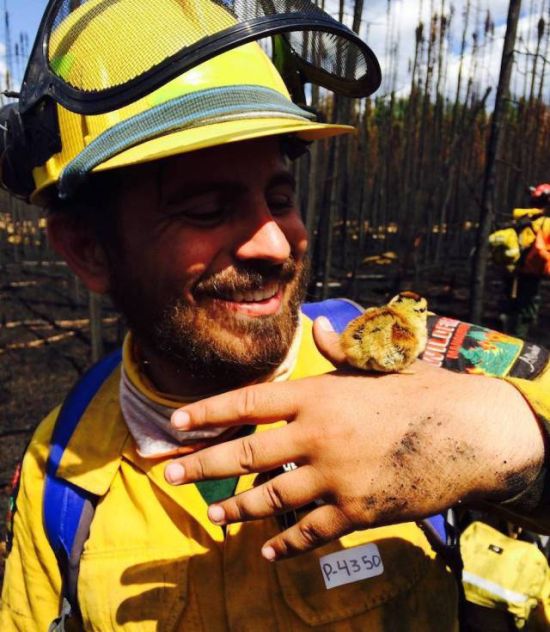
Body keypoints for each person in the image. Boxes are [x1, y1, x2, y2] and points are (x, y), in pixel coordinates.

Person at [1, 1, 550, 630]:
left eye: (281, 197)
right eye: (206, 209)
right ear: (88, 249)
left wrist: (505, 440)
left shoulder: (423, 363)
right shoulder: (60, 475)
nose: (276, 242)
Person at [490, 184, 550, 339]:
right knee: (525, 312)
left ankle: (505, 331)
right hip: (530, 273)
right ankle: (519, 340)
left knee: (510, 306)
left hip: (513, 270)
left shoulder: (523, 220)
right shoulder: (545, 223)